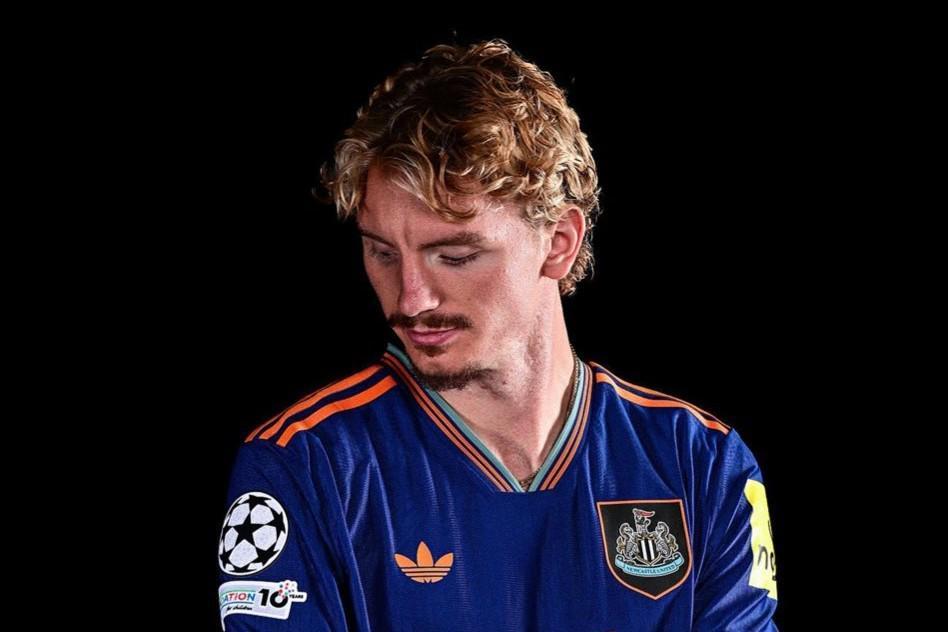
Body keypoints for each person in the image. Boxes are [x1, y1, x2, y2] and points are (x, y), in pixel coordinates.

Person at [216, 39, 779, 631]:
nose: (411, 300)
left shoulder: (702, 463)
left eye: (454, 256)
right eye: (382, 253)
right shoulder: (303, 466)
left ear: (559, 242)